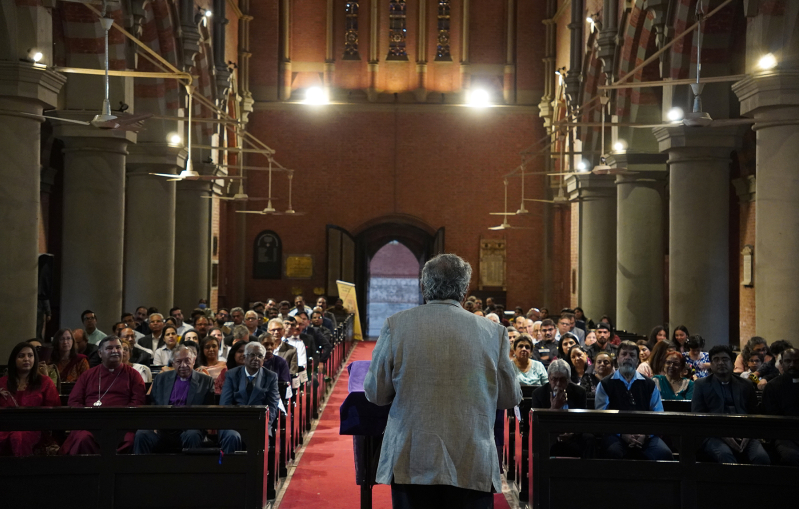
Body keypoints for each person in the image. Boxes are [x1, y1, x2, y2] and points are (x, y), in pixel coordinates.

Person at [365, 254, 520, 508]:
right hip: (471, 458)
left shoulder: (397, 325)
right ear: (464, 290)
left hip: (412, 456)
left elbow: (376, 393)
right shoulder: (494, 332)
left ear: (423, 286)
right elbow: (509, 398)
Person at [61, 336, 146, 455]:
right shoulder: (88, 375)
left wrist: (119, 422)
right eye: (110, 348)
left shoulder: (133, 375)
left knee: (129, 441)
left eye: (118, 347)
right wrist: (90, 420)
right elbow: (74, 401)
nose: (115, 351)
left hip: (122, 425)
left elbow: (137, 402)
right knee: (83, 439)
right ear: (100, 353)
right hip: (90, 425)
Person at [691, 345, 769, 465]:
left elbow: (754, 414)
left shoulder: (746, 384)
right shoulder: (701, 385)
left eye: (725, 359)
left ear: (733, 363)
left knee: (761, 457)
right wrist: (723, 435)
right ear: (711, 364)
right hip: (714, 435)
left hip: (745, 434)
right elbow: (698, 416)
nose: (721, 363)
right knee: (725, 455)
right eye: (716, 360)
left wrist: (748, 435)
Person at [595, 341, 672, 461]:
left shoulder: (649, 384)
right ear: (618, 359)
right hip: (616, 435)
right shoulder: (605, 384)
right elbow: (602, 418)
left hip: (646, 435)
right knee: (614, 453)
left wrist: (645, 435)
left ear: (637, 360)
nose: (627, 358)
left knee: (664, 454)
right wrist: (622, 434)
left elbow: (658, 414)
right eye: (624, 354)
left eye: (632, 355)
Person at [133, 346, 214, 454]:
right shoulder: (161, 379)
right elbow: (152, 403)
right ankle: (142, 470)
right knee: (141, 434)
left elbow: (209, 409)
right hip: (163, 428)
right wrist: (154, 424)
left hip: (190, 428)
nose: (183, 365)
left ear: (194, 360)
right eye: (178, 361)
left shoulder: (205, 381)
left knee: (193, 435)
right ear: (172, 362)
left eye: (187, 361)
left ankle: (191, 470)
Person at [0, 342, 60, 456]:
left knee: (18, 437)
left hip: (34, 427)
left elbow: (54, 409)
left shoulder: (45, 382)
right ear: (14, 359)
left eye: (30, 355)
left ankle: (22, 471)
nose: (26, 359)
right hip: (5, 426)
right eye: (21, 356)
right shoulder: (2, 383)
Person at [218, 343, 280, 453]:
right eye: (252, 355)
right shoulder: (232, 375)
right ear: (245, 357)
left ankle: (256, 470)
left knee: (258, 437)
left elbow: (272, 406)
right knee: (232, 437)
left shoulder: (271, 377)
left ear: (264, 359)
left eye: (260, 356)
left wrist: (263, 425)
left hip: (259, 423)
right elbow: (225, 404)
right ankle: (229, 469)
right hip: (233, 423)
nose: (256, 359)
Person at [530, 360, 592, 458]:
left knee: (588, 439)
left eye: (562, 379)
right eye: (555, 379)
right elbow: (537, 424)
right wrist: (554, 408)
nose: (558, 384)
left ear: (568, 380)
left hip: (572, 435)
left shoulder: (579, 392)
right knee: (540, 439)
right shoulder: (539, 394)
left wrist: (572, 432)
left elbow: (582, 420)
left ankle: (587, 472)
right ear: (549, 379)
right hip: (549, 434)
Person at [762, 348, 799, 465]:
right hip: (783, 434)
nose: (792, 364)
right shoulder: (772, 386)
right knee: (792, 455)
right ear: (781, 363)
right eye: (788, 361)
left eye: (797, 361)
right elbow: (770, 417)